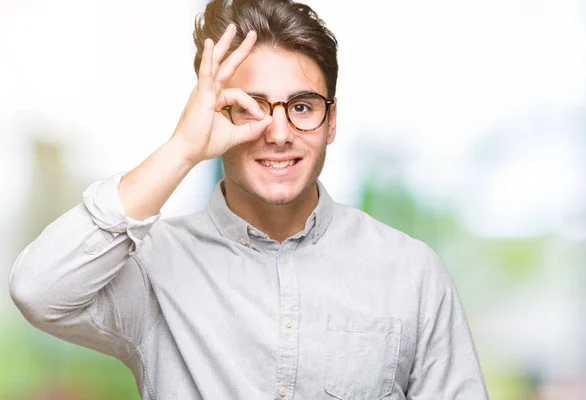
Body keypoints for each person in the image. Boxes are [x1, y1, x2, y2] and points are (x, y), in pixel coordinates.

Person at [9, 0, 489, 398]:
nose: (277, 133)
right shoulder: (153, 268)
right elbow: (39, 291)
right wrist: (182, 149)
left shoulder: (411, 272)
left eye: (302, 107)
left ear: (332, 120)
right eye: (250, 108)